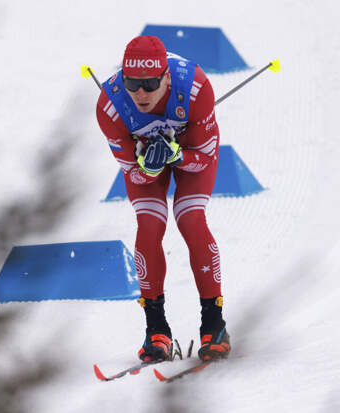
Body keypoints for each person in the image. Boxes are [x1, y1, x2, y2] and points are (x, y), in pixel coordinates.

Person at [95, 35, 230, 362]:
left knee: (190, 219)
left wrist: (174, 156)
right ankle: (156, 328)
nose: (140, 93)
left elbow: (205, 156)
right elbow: (134, 174)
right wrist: (148, 164)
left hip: (190, 156)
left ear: (166, 78)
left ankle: (214, 324)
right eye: (132, 83)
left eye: (150, 84)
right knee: (149, 226)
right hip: (150, 166)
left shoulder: (195, 88)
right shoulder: (110, 106)